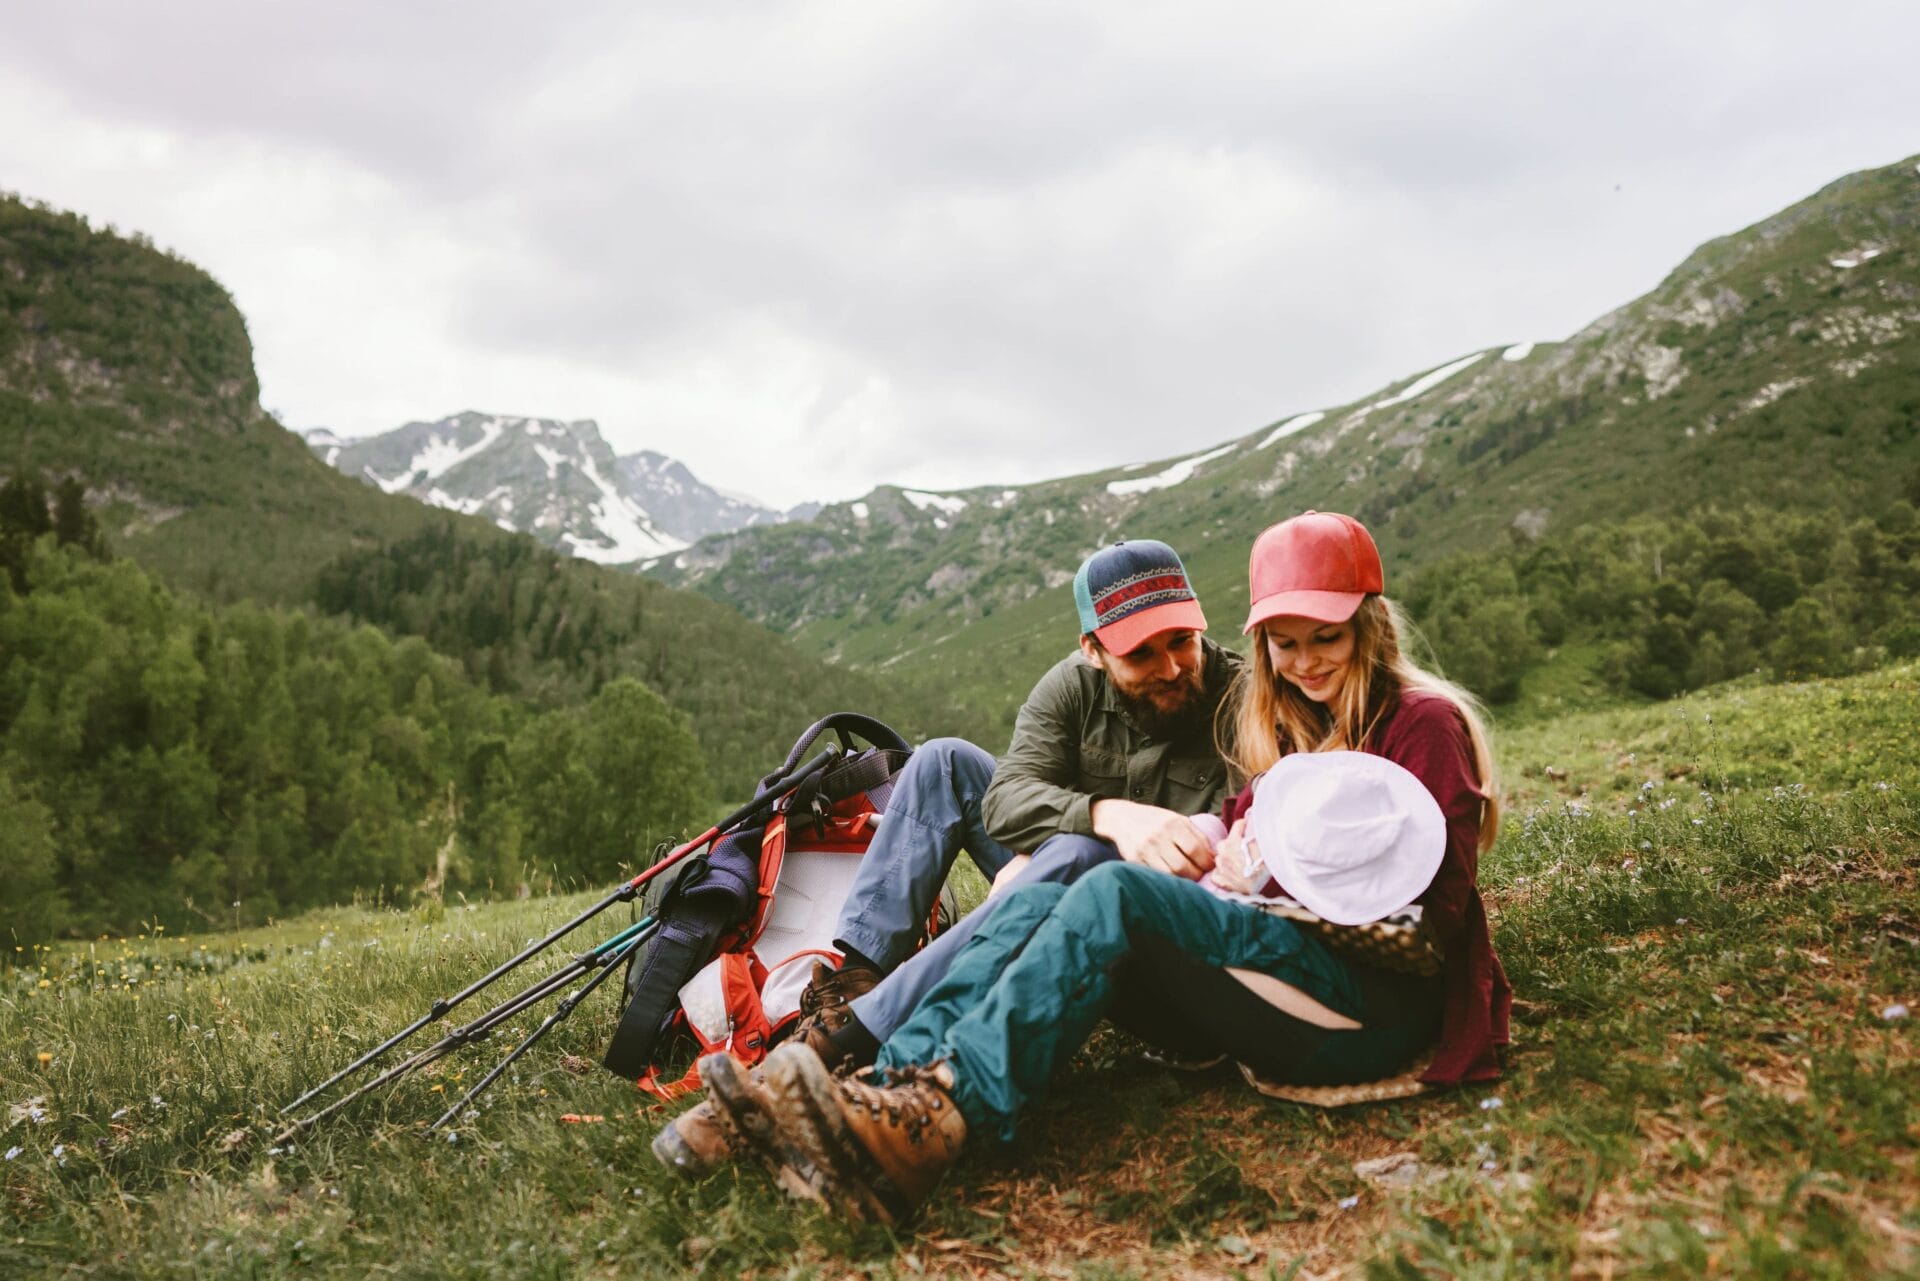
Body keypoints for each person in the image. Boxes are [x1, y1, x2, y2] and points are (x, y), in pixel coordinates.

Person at [700, 510, 1511, 1224]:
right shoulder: (1301, 721)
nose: (1305, 662)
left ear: (1370, 626)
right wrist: (1209, 843)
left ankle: (943, 1112)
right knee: (1058, 883)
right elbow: (1236, 818)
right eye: (1285, 644)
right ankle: (883, 1084)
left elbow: (1427, 919)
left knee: (1111, 885)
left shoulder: (1421, 723)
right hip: (1274, 965)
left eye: (1327, 638)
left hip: (1371, 1005)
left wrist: (1248, 884)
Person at [652, 537, 1241, 1175]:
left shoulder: (1243, 699)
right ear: (1094, 652)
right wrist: (1105, 816)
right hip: (1065, 886)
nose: (1173, 667)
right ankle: (853, 991)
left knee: (1072, 857)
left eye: (1182, 639)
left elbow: (1243, 864)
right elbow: (1007, 801)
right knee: (945, 761)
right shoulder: (1071, 689)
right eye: (1140, 653)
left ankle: (835, 1055)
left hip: (1163, 937)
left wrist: (1069, 850)